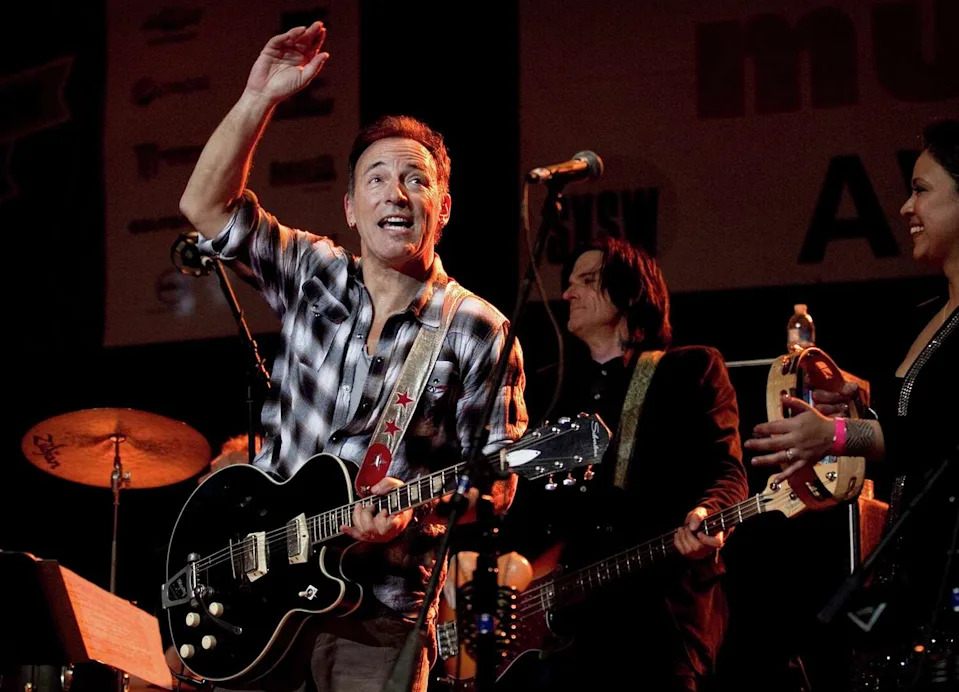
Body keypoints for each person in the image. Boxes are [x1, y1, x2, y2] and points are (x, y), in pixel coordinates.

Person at [178, 21, 527, 692]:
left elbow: (496, 490)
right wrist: (258, 97)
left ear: (443, 208)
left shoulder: (478, 329)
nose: (395, 195)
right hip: (260, 597)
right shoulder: (312, 271)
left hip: (381, 616)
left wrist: (412, 515)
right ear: (348, 206)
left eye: (414, 181)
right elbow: (203, 204)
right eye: (376, 180)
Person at [746, 119, 959, 690]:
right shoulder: (926, 316)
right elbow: (913, 412)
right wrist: (855, 394)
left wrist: (836, 437)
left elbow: (942, 436)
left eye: (921, 189)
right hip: (909, 577)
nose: (905, 206)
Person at [499, 238, 748, 691]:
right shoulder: (554, 391)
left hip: (658, 617)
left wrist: (708, 513)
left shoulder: (688, 371)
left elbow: (727, 470)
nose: (569, 293)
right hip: (564, 626)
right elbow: (525, 503)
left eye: (587, 281)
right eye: (568, 283)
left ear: (630, 292)